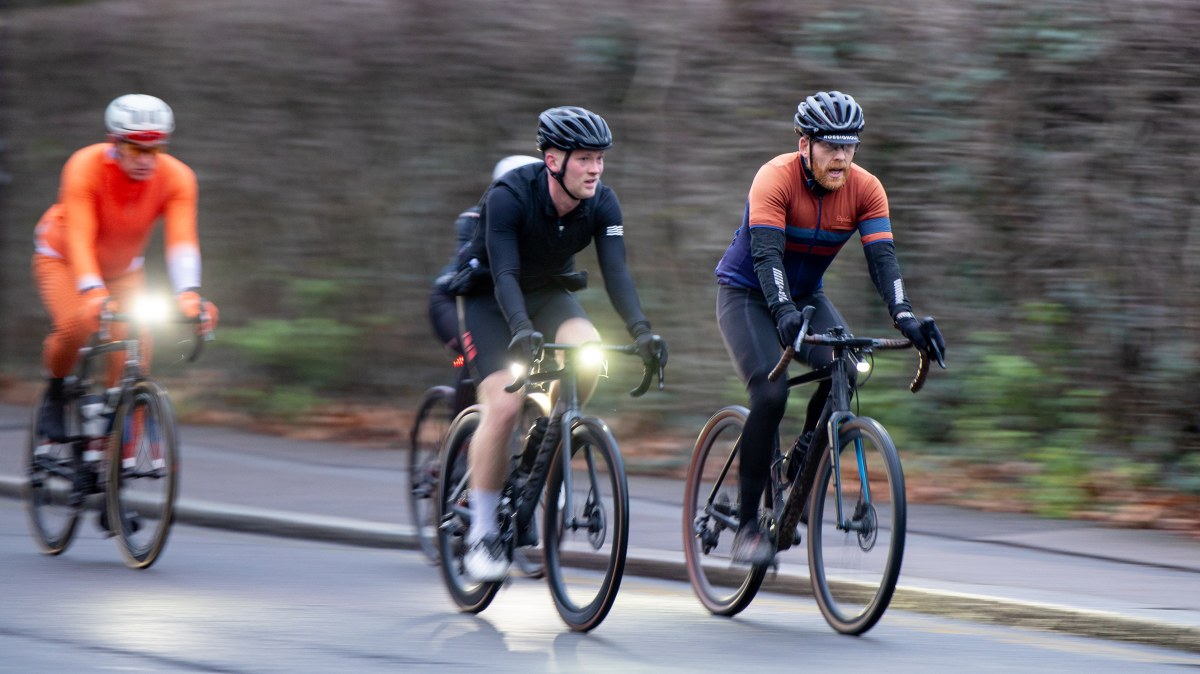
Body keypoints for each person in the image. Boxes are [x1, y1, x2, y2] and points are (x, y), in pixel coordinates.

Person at [714, 91, 944, 565]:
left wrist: (905, 316)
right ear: (805, 146)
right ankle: (747, 525)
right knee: (771, 395)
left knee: (849, 368)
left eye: (850, 145)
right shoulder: (773, 178)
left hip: (807, 300)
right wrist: (781, 312)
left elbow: (884, 260)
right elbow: (766, 257)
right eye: (830, 146)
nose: (841, 156)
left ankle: (799, 465)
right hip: (748, 295)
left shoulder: (866, 188)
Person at [451, 106, 667, 581]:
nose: (595, 168)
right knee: (504, 404)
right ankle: (483, 532)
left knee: (589, 357)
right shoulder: (509, 196)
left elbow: (617, 273)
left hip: (549, 293)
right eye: (585, 158)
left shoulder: (603, 203)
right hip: (491, 298)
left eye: (600, 159)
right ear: (553, 160)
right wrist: (522, 330)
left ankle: (541, 445)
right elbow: (505, 273)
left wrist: (641, 331)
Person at [33, 94, 218, 442]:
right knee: (75, 325)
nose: (148, 160)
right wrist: (91, 292)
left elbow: (182, 240)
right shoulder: (84, 165)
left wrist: (190, 294)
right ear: (115, 143)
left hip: (122, 269)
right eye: (137, 149)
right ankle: (55, 393)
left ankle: (115, 440)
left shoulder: (178, 178)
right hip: (65, 259)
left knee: (135, 343)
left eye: (156, 150)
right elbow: (80, 236)